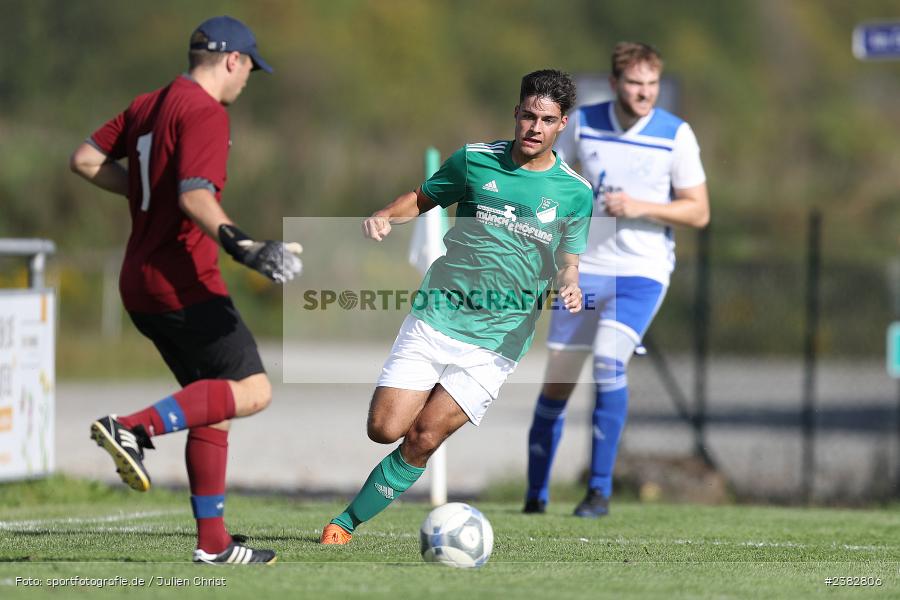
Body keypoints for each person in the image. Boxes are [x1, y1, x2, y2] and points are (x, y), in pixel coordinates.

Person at [319, 70, 593, 545]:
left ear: (562, 124)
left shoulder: (575, 192)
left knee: (424, 437)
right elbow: (421, 199)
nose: (534, 127)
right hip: (437, 316)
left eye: (547, 120)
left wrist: (570, 284)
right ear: (516, 112)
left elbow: (569, 261)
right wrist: (386, 215)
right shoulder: (474, 160)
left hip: (497, 340)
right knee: (384, 429)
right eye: (528, 115)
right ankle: (410, 420)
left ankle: (343, 524)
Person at [69, 16, 301, 564]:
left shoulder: (148, 104)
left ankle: (213, 544)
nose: (245, 81)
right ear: (232, 60)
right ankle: (131, 428)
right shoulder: (205, 112)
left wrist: (146, 193)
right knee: (253, 390)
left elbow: (85, 160)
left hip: (138, 280)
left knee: (212, 401)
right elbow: (195, 196)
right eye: (249, 69)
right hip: (183, 281)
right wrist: (246, 247)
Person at [523, 42, 710, 518]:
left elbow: (699, 211)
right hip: (583, 271)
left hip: (642, 273)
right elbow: (552, 177)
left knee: (609, 362)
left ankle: (599, 492)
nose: (645, 92)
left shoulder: (675, 134)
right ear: (613, 84)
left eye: (652, 84)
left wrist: (640, 207)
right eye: (634, 83)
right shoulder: (583, 123)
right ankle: (535, 497)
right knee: (557, 383)